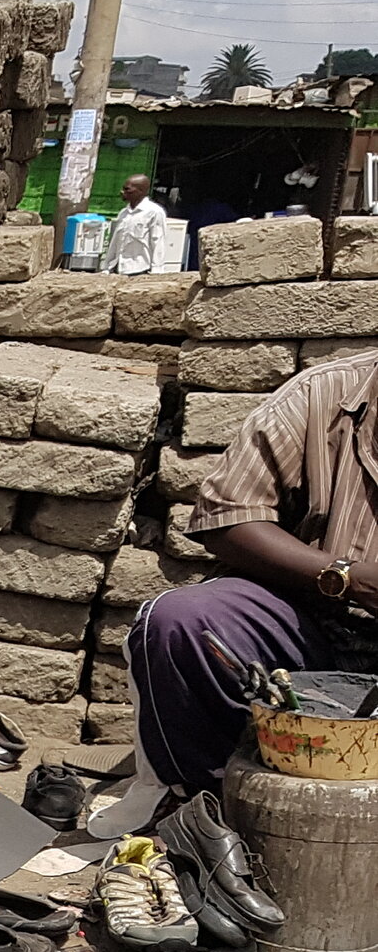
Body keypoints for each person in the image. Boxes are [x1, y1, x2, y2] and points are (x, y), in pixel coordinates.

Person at [124, 348, 378, 796]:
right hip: (311, 619)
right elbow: (227, 519)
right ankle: (206, 806)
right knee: (182, 622)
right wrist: (346, 576)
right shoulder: (321, 393)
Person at [103, 173, 172, 275]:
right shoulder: (123, 213)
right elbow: (115, 242)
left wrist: (157, 271)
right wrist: (107, 267)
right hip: (118, 269)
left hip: (139, 271)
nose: (122, 192)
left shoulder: (154, 212)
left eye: (127, 189)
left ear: (141, 191)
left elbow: (158, 241)